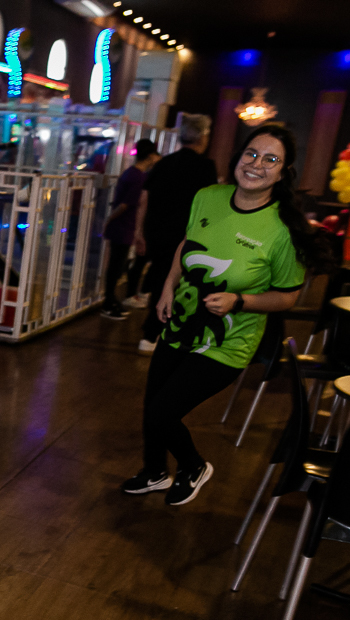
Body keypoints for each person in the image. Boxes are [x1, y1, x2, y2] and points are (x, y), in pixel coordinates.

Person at [122, 124, 321, 506]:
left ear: (283, 172)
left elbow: (288, 297)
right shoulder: (208, 196)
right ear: (238, 157)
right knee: (152, 405)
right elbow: (188, 242)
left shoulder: (282, 229)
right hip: (181, 321)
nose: (257, 164)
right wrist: (168, 287)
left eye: (271, 159)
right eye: (251, 153)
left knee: (163, 411)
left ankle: (193, 466)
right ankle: (154, 472)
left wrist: (239, 300)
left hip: (228, 340)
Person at [133, 113, 217, 353]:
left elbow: (144, 198)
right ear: (202, 137)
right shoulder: (205, 167)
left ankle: (154, 331)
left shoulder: (163, 163)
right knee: (176, 283)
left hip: (156, 232)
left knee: (161, 278)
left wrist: (139, 231)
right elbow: (209, 205)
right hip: (185, 235)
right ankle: (155, 333)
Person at [101, 139, 161, 320]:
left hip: (122, 226)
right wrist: (109, 219)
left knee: (116, 265)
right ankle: (108, 302)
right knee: (116, 266)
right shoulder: (139, 177)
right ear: (150, 156)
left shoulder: (131, 173)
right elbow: (126, 204)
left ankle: (110, 300)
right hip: (123, 226)